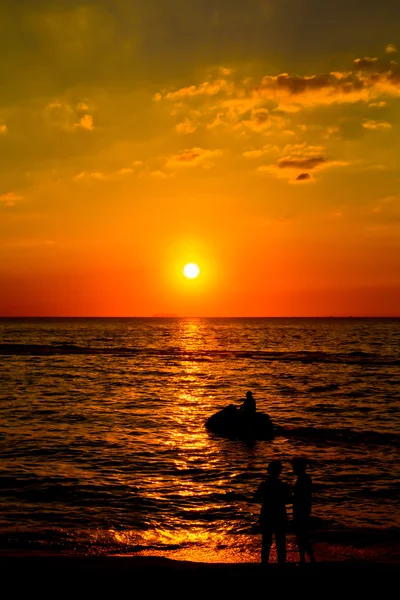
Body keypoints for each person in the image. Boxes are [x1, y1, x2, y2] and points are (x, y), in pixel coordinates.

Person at [254, 459, 292, 565]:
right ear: (279, 472)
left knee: (266, 542)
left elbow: (256, 498)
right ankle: (281, 565)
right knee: (281, 542)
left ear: (268, 471)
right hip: (280, 514)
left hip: (266, 514)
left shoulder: (263, 485)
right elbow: (289, 499)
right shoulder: (283, 485)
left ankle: (264, 564)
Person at [291, 457, 316, 565]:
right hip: (304, 509)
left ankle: (305, 559)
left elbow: (300, 496)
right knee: (303, 535)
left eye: (293, 467)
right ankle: (306, 558)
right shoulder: (305, 478)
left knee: (302, 535)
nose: (292, 469)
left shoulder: (302, 479)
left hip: (301, 510)